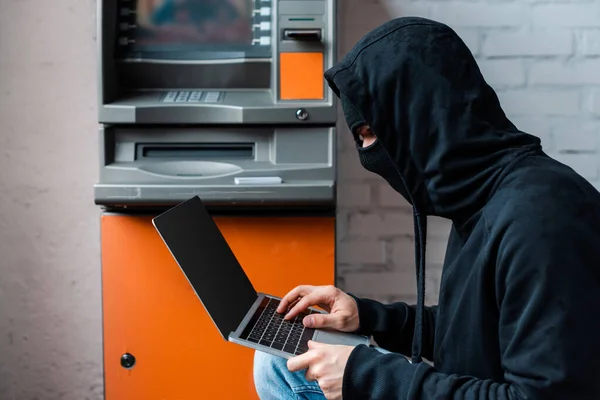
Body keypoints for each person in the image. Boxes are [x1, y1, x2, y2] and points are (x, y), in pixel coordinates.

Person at [253, 16, 600, 400]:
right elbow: (471, 333)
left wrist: (365, 375)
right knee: (277, 358)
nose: (369, 151)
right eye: (360, 136)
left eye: (371, 132)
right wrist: (367, 318)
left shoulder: (541, 220)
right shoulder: (484, 198)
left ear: (422, 116)